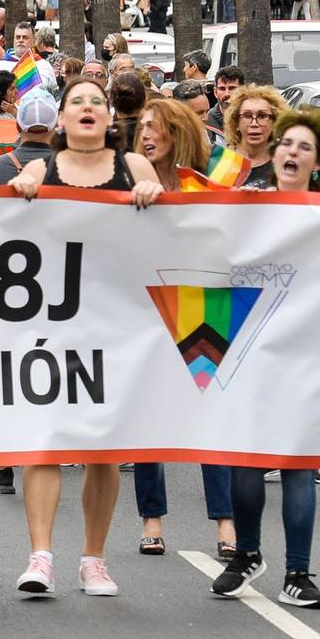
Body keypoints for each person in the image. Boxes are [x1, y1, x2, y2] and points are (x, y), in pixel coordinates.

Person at [8, 76, 163, 597]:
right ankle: (41, 556)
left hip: (115, 329)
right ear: (61, 119)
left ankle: (93, 559)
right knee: (46, 440)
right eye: (78, 102)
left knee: (103, 449)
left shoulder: (133, 168)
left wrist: (153, 194)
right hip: (49, 330)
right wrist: (20, 195)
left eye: (97, 101)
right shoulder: (39, 168)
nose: (89, 108)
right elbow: (2, 229)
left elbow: (171, 232)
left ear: (109, 117)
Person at [216, 109, 320, 607]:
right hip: (247, 354)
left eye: (304, 147)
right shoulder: (247, 205)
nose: (292, 152)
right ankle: (246, 554)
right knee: (245, 462)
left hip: (303, 361)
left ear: (318, 161)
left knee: (298, 464)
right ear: (274, 154)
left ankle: (298, 573)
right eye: (286, 144)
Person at [128, 96, 237, 556]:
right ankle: (152, 519)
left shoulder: (210, 183)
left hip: (202, 307)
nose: (148, 134)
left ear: (179, 134)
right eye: (144, 127)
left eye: (158, 127)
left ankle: (226, 524)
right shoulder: (126, 180)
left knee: (209, 419)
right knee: (148, 421)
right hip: (144, 310)